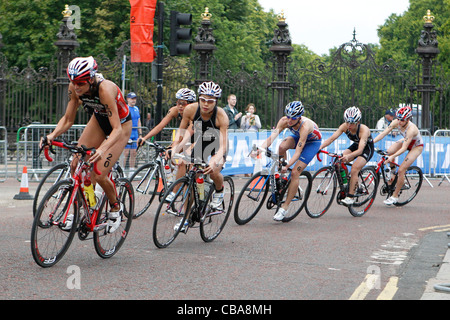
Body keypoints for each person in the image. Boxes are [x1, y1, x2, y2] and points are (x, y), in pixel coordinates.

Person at [40, 56, 131, 233]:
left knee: (99, 173)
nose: (76, 86)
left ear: (91, 78)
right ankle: (84, 207)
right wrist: (51, 136)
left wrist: (102, 149)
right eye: (73, 81)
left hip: (120, 126)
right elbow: (67, 119)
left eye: (80, 82)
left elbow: (117, 129)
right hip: (98, 120)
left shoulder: (105, 89)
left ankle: (115, 208)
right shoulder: (74, 87)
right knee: (76, 163)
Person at [257, 101, 322, 221]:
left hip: (312, 143)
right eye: (288, 117)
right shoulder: (284, 121)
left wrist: (288, 166)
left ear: (300, 117)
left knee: (295, 173)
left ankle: (284, 208)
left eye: (293, 118)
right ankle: (283, 177)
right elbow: (272, 137)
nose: (290, 121)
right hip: (298, 138)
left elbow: (298, 152)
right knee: (281, 147)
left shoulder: (304, 126)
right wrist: (260, 148)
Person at [172, 81, 229, 217]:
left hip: (217, 143)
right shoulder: (190, 110)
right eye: (203, 99)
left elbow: (223, 145)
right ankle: (195, 205)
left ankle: (220, 191)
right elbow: (181, 132)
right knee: (194, 175)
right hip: (202, 142)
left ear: (216, 102)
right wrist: (174, 149)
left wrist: (215, 159)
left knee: (213, 171)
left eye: (210, 101)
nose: (205, 104)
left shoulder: (221, 116)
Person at [319, 106, 374, 206]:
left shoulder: (363, 130)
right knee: (339, 162)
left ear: (358, 122)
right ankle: (349, 183)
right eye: (347, 122)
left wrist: (349, 157)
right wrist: (320, 147)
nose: (349, 125)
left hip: (366, 148)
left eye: (352, 123)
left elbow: (360, 150)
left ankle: (351, 197)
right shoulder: (344, 126)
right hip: (355, 145)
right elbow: (331, 139)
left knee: (354, 168)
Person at [373, 106, 424, 205]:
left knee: (401, 170)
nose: (399, 122)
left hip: (416, 146)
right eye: (398, 118)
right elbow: (383, 133)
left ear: (408, 119)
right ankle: (393, 173)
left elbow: (404, 148)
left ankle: (395, 197)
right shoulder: (396, 122)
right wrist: (371, 142)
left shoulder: (411, 129)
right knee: (389, 151)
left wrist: (392, 158)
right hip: (405, 140)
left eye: (402, 120)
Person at [122, 92, 142, 176]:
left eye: (134, 98)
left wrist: (140, 133)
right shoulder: (126, 108)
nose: (133, 100)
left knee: (134, 152)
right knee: (126, 152)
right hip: (128, 133)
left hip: (135, 133)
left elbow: (138, 121)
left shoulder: (136, 109)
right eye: (132, 98)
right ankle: (122, 170)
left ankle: (131, 171)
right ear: (128, 99)